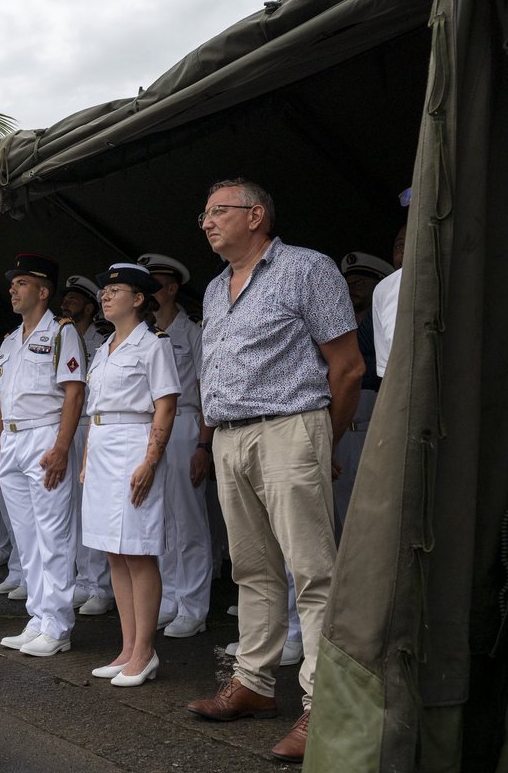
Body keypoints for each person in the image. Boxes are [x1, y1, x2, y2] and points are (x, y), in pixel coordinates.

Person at [186, 179, 364, 763]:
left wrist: (322, 440)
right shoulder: (214, 290)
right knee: (252, 569)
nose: (206, 222)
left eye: (218, 211)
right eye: (205, 214)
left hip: (290, 425)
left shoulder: (306, 269)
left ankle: (324, 704)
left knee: (313, 573)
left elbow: (347, 367)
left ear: (256, 215)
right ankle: (255, 685)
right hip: (230, 437)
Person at [81, 264, 180, 687]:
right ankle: (126, 648)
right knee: (113, 552)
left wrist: (150, 460)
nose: (105, 296)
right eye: (105, 290)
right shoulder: (104, 348)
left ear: (138, 300)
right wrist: (86, 457)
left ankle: (145, 651)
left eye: (115, 290)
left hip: (133, 445)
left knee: (138, 550)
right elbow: (95, 412)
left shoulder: (153, 345)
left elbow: (166, 404)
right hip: (103, 446)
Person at [0, 253, 86, 657]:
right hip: (12, 440)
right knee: (26, 540)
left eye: (22, 283)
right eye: (12, 284)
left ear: (44, 292)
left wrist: (62, 447)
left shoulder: (62, 333)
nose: (13, 289)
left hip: (45, 436)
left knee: (53, 537)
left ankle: (59, 624)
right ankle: (38, 616)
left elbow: (74, 391)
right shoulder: (11, 340)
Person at [138, 252, 213, 638]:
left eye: (156, 283)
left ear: (170, 289)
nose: (149, 291)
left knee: (188, 521)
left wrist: (203, 445)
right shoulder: (146, 335)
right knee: (158, 518)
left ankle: (194, 605)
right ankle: (168, 597)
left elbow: (205, 391)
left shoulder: (193, 333)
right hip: (151, 427)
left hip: (184, 423)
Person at [60, 275, 115, 617]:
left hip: (93, 425)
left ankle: (100, 585)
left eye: (74, 299)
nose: (66, 303)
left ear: (90, 306)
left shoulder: (103, 340)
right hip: (68, 426)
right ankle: (82, 579)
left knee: (96, 508)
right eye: (65, 298)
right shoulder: (60, 337)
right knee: (72, 509)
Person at [334, 251, 394, 537]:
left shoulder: (380, 321)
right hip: (342, 427)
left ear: (378, 285)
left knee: (374, 507)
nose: (351, 289)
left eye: (360, 283)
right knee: (341, 506)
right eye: (349, 283)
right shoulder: (335, 325)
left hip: (372, 426)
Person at [372, 220, 409, 377]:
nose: (403, 252)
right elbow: (386, 371)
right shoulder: (384, 289)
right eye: (399, 246)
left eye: (411, 242)